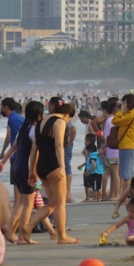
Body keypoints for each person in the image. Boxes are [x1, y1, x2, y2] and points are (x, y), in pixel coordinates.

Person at [21, 102, 80, 244]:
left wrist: (31, 170)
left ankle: (28, 226)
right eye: (69, 119)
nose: (68, 121)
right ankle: (62, 237)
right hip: (54, 165)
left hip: (42, 166)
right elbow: (58, 145)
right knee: (60, 202)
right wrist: (62, 167)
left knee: (52, 203)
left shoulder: (41, 122)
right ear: (67, 114)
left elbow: (34, 148)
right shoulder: (59, 122)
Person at [0, 101, 44, 243]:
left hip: (16, 166)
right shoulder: (34, 130)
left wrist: (3, 162)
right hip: (25, 168)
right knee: (28, 204)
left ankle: (9, 226)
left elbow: (14, 146)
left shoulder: (23, 128)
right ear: (38, 114)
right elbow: (35, 151)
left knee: (23, 201)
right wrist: (33, 171)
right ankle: (23, 236)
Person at [112, 93, 134, 193]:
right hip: (127, 145)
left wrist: (121, 111)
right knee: (127, 173)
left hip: (126, 145)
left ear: (128, 103)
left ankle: (126, 196)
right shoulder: (132, 114)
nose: (123, 105)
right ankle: (128, 195)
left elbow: (115, 121)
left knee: (126, 175)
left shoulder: (130, 115)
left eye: (124, 103)